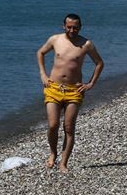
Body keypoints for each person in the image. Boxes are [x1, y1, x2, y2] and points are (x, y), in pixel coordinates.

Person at [36, 14, 105, 171]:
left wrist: (90, 83)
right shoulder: (55, 39)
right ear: (63, 26)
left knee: (69, 127)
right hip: (53, 88)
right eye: (69, 27)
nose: (72, 30)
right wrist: (43, 74)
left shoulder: (86, 44)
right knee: (53, 125)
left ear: (80, 27)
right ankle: (53, 153)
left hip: (74, 90)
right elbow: (40, 53)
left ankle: (63, 163)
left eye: (75, 27)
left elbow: (99, 63)